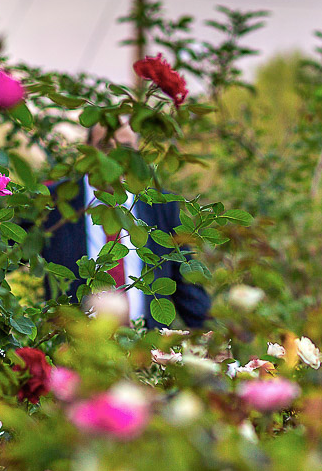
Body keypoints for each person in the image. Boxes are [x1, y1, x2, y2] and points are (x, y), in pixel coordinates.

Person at [39, 119, 212, 330]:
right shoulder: (54, 202)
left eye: (127, 149)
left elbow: (186, 287)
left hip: (145, 352)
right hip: (73, 348)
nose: (117, 158)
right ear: (88, 153)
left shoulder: (160, 206)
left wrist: (220, 341)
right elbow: (8, 255)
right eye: (106, 147)